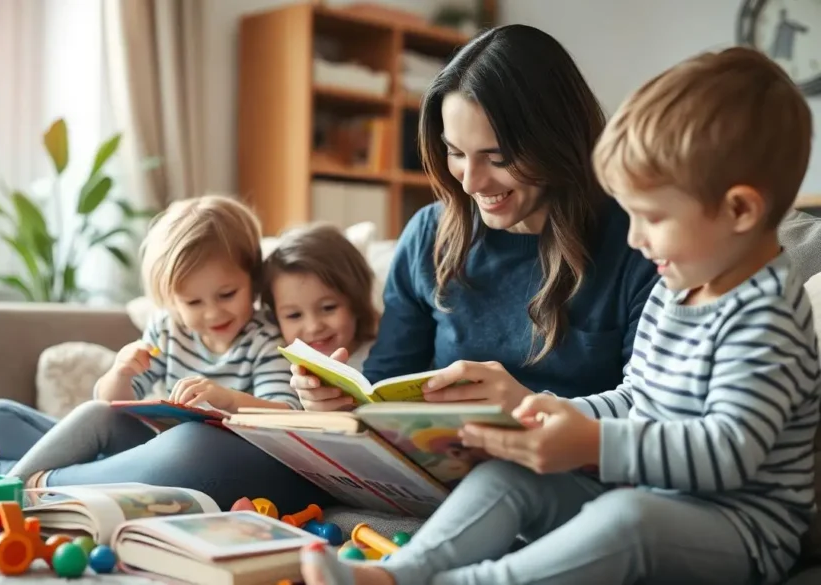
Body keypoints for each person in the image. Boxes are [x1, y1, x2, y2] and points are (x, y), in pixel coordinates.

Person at [300, 45, 818, 585]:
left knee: (629, 520)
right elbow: (634, 398)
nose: (637, 238)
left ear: (740, 210)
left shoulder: (768, 316)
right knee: (510, 473)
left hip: (739, 532)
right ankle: (399, 574)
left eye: (653, 218)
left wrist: (592, 444)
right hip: (646, 495)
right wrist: (547, 414)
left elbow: (726, 453)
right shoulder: (678, 288)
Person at [293, 23, 661, 414]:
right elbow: (385, 387)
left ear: (557, 141)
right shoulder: (428, 234)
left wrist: (527, 406)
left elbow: (648, 416)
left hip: (564, 465)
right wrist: (338, 403)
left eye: (497, 158)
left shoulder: (639, 241)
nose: (471, 182)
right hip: (437, 464)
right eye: (455, 152)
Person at [0, 194, 303, 487]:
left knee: (190, 441)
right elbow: (108, 407)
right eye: (193, 302)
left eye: (227, 294)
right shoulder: (169, 329)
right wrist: (121, 373)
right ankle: (58, 476)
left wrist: (229, 400)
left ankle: (18, 485)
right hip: (156, 453)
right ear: (171, 300)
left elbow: (286, 416)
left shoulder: (264, 338)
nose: (212, 313)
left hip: (210, 461)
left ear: (253, 278)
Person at [261, 223, 379, 371]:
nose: (314, 327)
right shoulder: (275, 365)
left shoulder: (386, 354)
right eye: (294, 315)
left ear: (356, 299)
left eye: (328, 307)